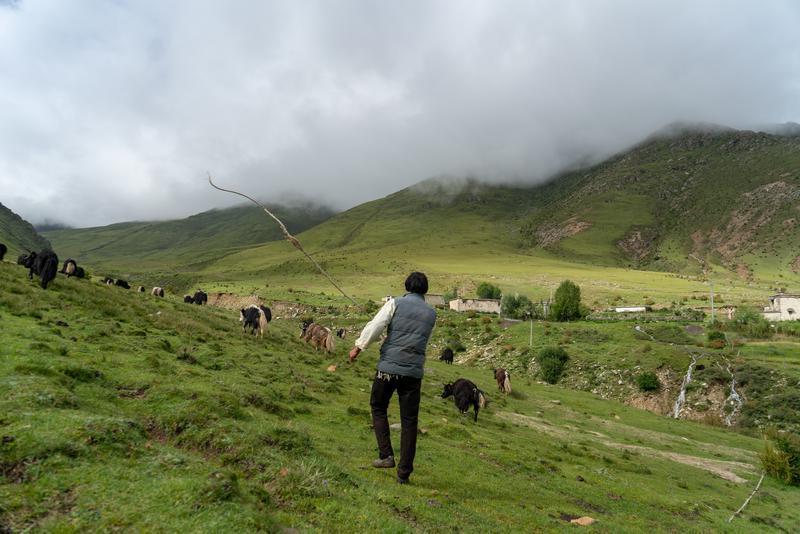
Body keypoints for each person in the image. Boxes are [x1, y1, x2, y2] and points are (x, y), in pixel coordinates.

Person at [349, 271, 436, 484]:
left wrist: (358, 347)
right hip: (413, 374)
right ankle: (404, 474)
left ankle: (386, 455)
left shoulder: (395, 303)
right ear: (425, 290)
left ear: (407, 286)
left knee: (378, 406)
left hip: (388, 368)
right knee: (409, 421)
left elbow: (376, 326)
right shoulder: (431, 313)